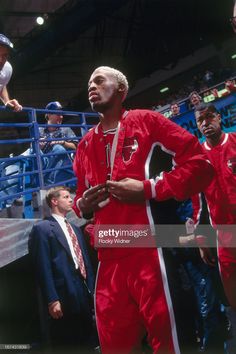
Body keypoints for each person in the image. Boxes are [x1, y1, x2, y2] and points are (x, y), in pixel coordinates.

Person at [73, 66, 214, 354]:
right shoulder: (85, 144)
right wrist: (83, 206)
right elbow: (77, 199)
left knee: (169, 344)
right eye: (89, 83)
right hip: (107, 259)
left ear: (121, 90)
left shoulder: (146, 121)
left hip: (149, 251)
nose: (92, 86)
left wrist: (150, 188)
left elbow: (201, 165)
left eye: (100, 81)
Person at [28, 186, 97, 352]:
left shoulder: (74, 229)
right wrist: (52, 299)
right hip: (63, 293)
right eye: (66, 197)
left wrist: (93, 291)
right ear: (54, 201)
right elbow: (43, 266)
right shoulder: (42, 229)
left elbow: (85, 260)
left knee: (87, 339)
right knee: (67, 340)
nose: (71, 200)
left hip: (83, 290)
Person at [194, 102, 236, 311]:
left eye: (209, 117)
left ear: (219, 117)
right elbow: (197, 205)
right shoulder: (198, 159)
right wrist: (201, 240)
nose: (205, 123)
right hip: (224, 238)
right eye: (200, 120)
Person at [39, 101, 77, 184]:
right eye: (58, 114)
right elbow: (33, 148)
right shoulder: (39, 130)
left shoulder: (66, 129)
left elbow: (76, 147)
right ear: (49, 115)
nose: (61, 117)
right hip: (45, 163)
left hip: (64, 165)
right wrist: (39, 147)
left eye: (61, 114)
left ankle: (45, 181)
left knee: (59, 149)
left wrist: (63, 143)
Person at [0, 34, 22, 111]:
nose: (1, 60)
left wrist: (7, 101)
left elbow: (1, 85)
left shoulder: (7, 68)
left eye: (4, 55)